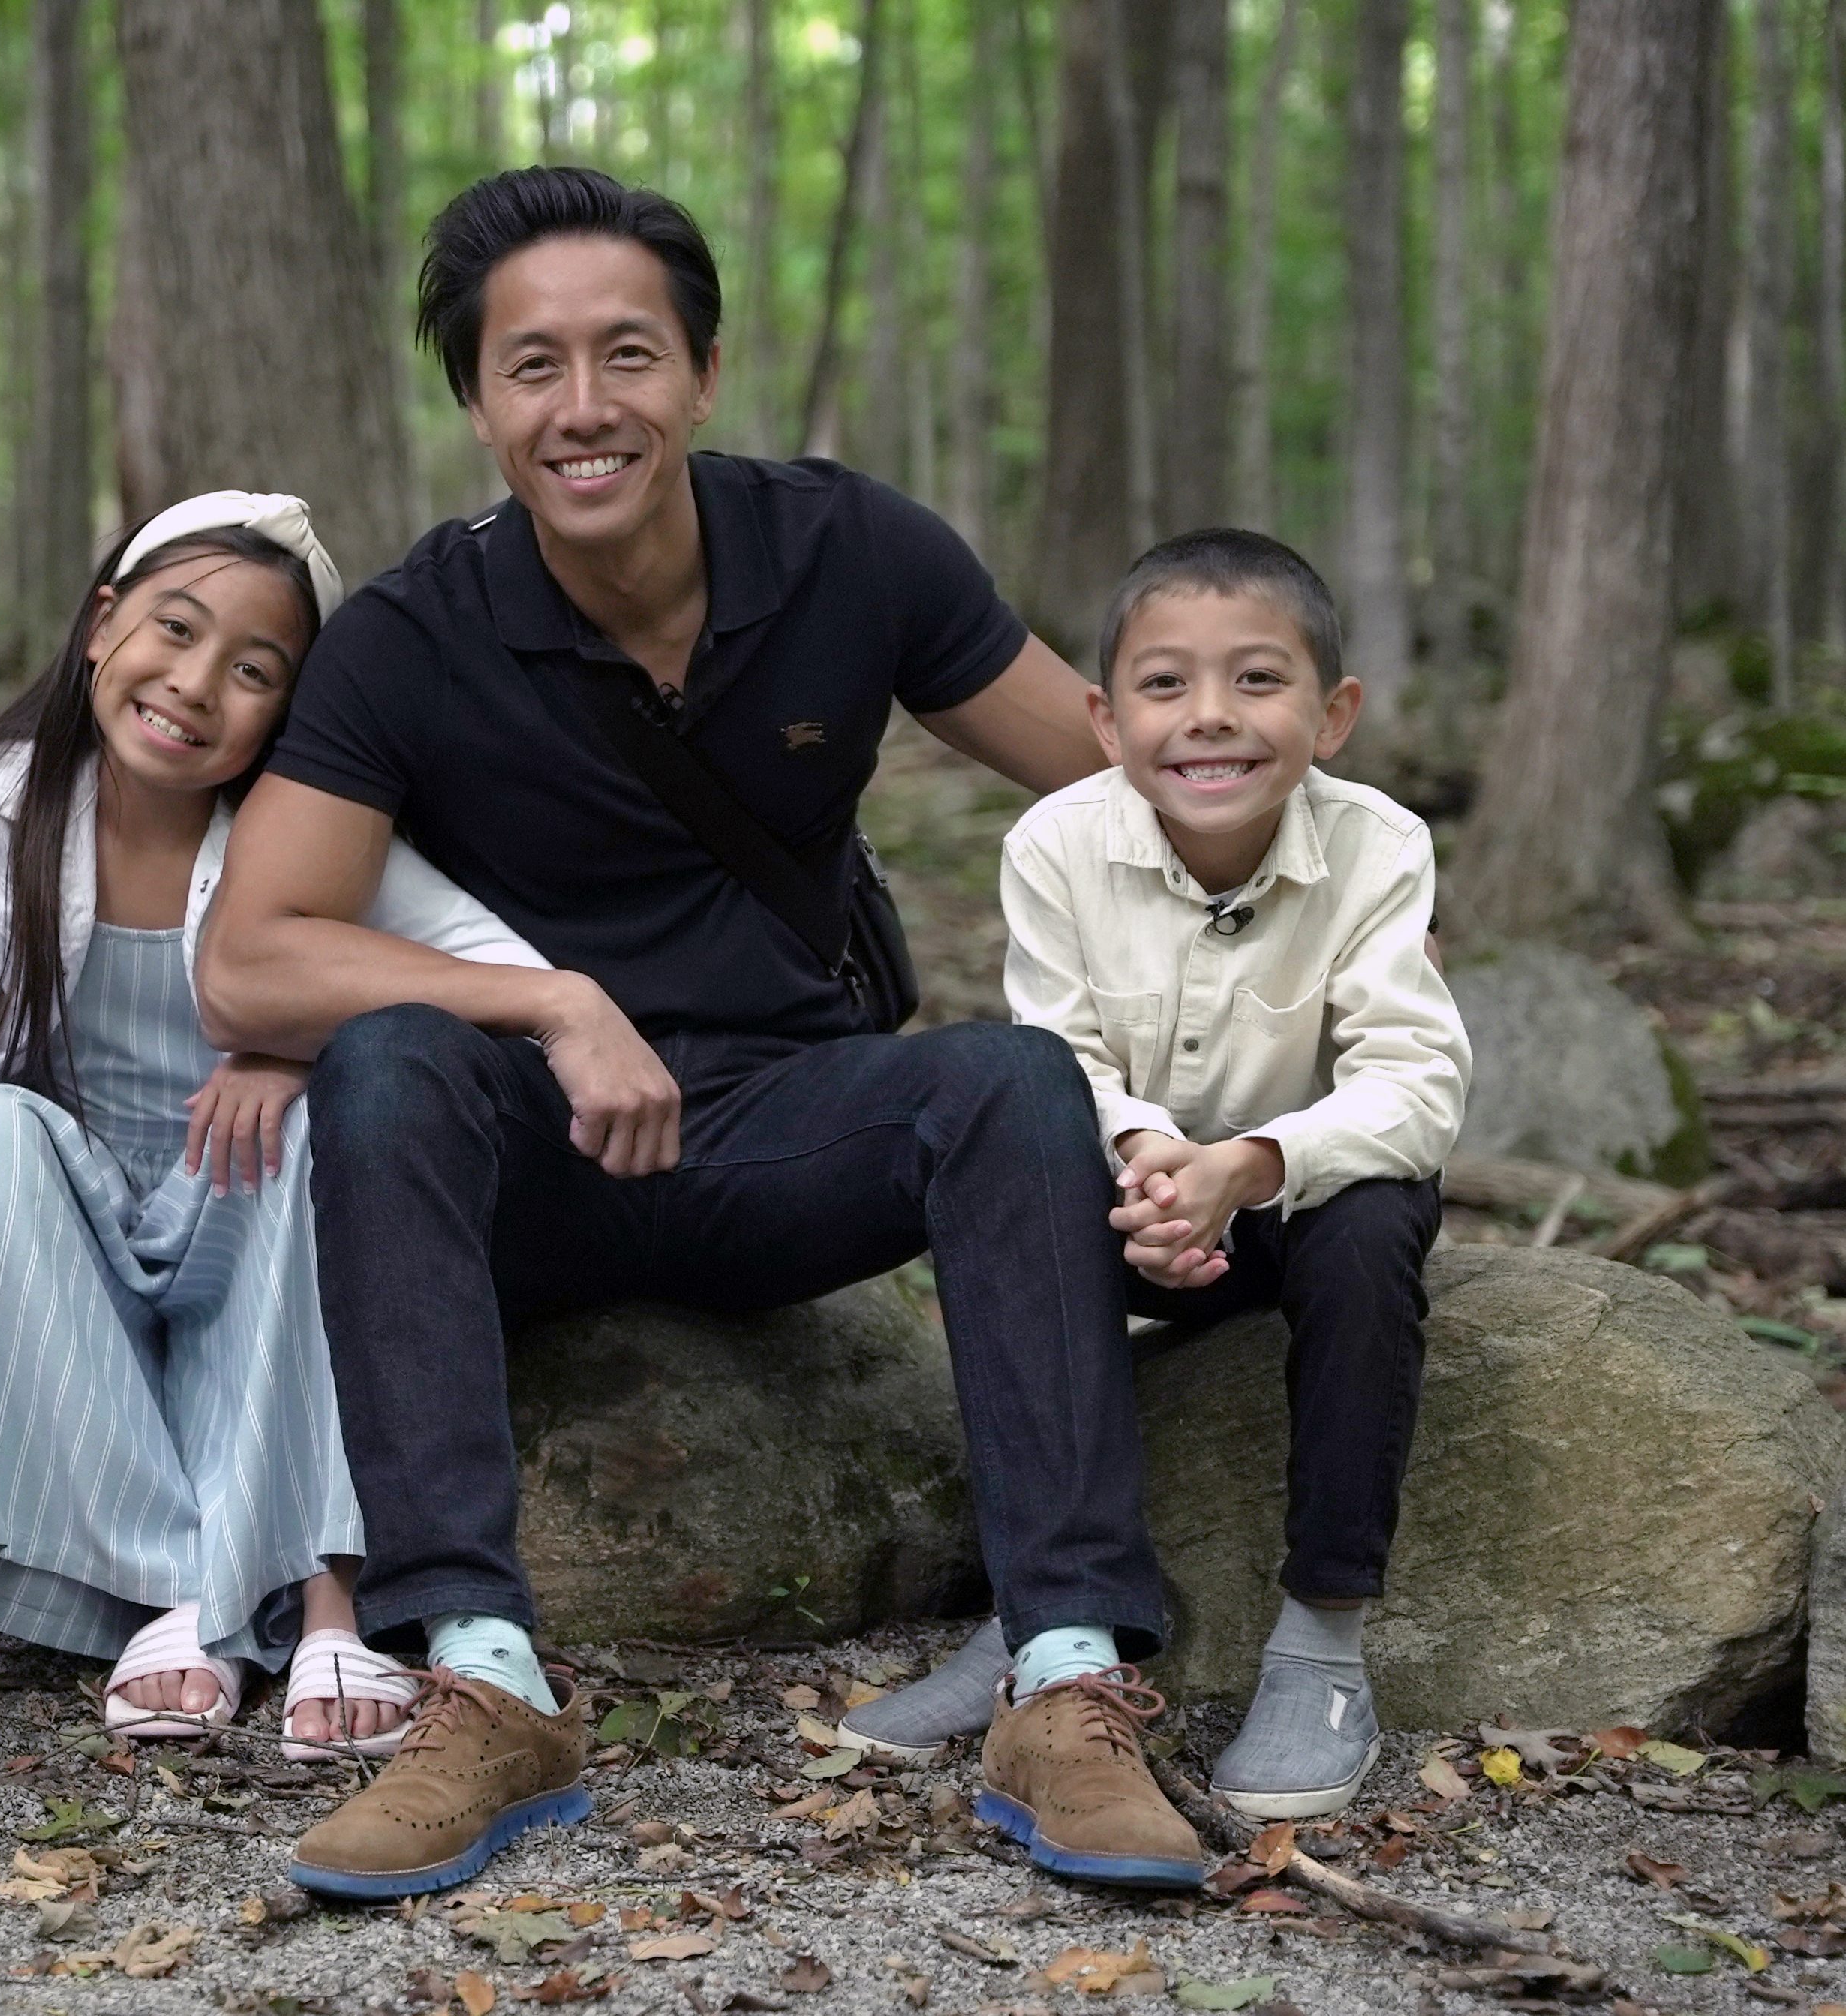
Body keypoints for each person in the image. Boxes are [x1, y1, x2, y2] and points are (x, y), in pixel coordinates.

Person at [196, 164, 1210, 1899]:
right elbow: (249, 960)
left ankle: (1062, 1676)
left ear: (702, 371)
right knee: (385, 1062)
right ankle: (483, 1682)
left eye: (626, 354)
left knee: (1006, 1080)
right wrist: (551, 1001)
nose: (581, 407)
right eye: (530, 366)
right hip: (533, 1164)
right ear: (477, 404)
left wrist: (1346, 881)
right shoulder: (406, 638)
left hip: (791, 1134)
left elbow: (1122, 780)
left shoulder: (847, 551)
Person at [0, 492, 548, 1763]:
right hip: (82, 1209)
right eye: (174, 630)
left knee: (322, 1137)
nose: (194, 684)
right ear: (100, 627)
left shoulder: (305, 842)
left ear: (289, 713)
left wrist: (301, 1042)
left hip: (236, 1202)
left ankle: (326, 1595)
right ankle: (174, 1588)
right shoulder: (12, 797)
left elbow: (508, 978)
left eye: (254, 671)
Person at [856, 531, 1458, 1825]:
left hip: (1295, 1208)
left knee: (1375, 1217)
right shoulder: (1056, 844)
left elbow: (1417, 1082)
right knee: (1009, 1175)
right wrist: (1148, 1160)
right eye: (1167, 683)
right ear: (1106, 717)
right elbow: (1060, 1055)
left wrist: (1250, 1165)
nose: (1211, 717)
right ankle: (1047, 1614)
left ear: (1333, 715)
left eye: (1259, 679)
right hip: (1127, 1199)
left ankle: (1322, 1644)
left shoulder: (1381, 847)